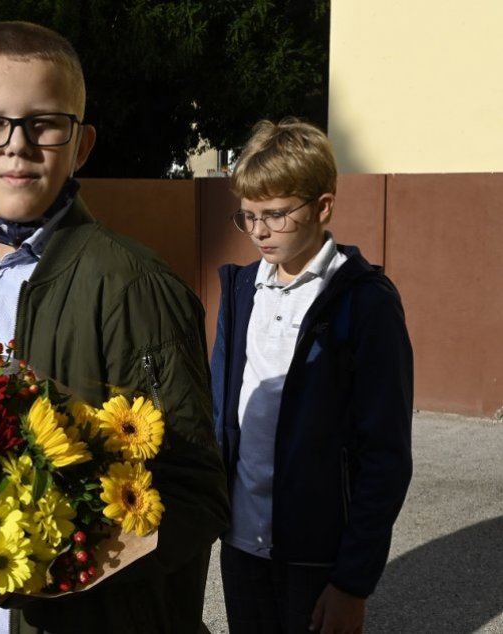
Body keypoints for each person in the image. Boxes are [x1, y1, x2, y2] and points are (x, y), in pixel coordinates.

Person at [0, 20, 230, 634]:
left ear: (80, 144)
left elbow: (194, 498)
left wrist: (25, 577)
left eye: (44, 123)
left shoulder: (132, 285)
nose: (17, 145)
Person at [210, 118, 414, 633]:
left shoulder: (365, 303)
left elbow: (385, 455)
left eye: (276, 214)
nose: (259, 231)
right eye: (248, 216)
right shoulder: (239, 293)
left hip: (317, 556)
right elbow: (221, 417)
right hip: (241, 546)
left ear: (322, 207)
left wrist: (353, 582)